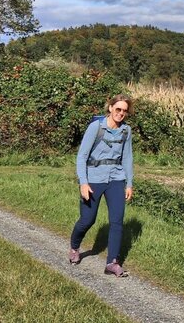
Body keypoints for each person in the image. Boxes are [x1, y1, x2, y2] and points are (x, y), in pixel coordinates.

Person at [69, 94, 134, 277]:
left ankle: (112, 262)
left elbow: (128, 158)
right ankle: (74, 247)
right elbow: (82, 156)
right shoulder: (96, 127)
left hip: (116, 178)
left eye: (124, 111)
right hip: (93, 179)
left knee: (117, 221)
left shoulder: (126, 131)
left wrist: (129, 183)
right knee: (87, 220)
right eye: (118, 109)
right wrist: (83, 182)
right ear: (111, 107)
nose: (120, 113)